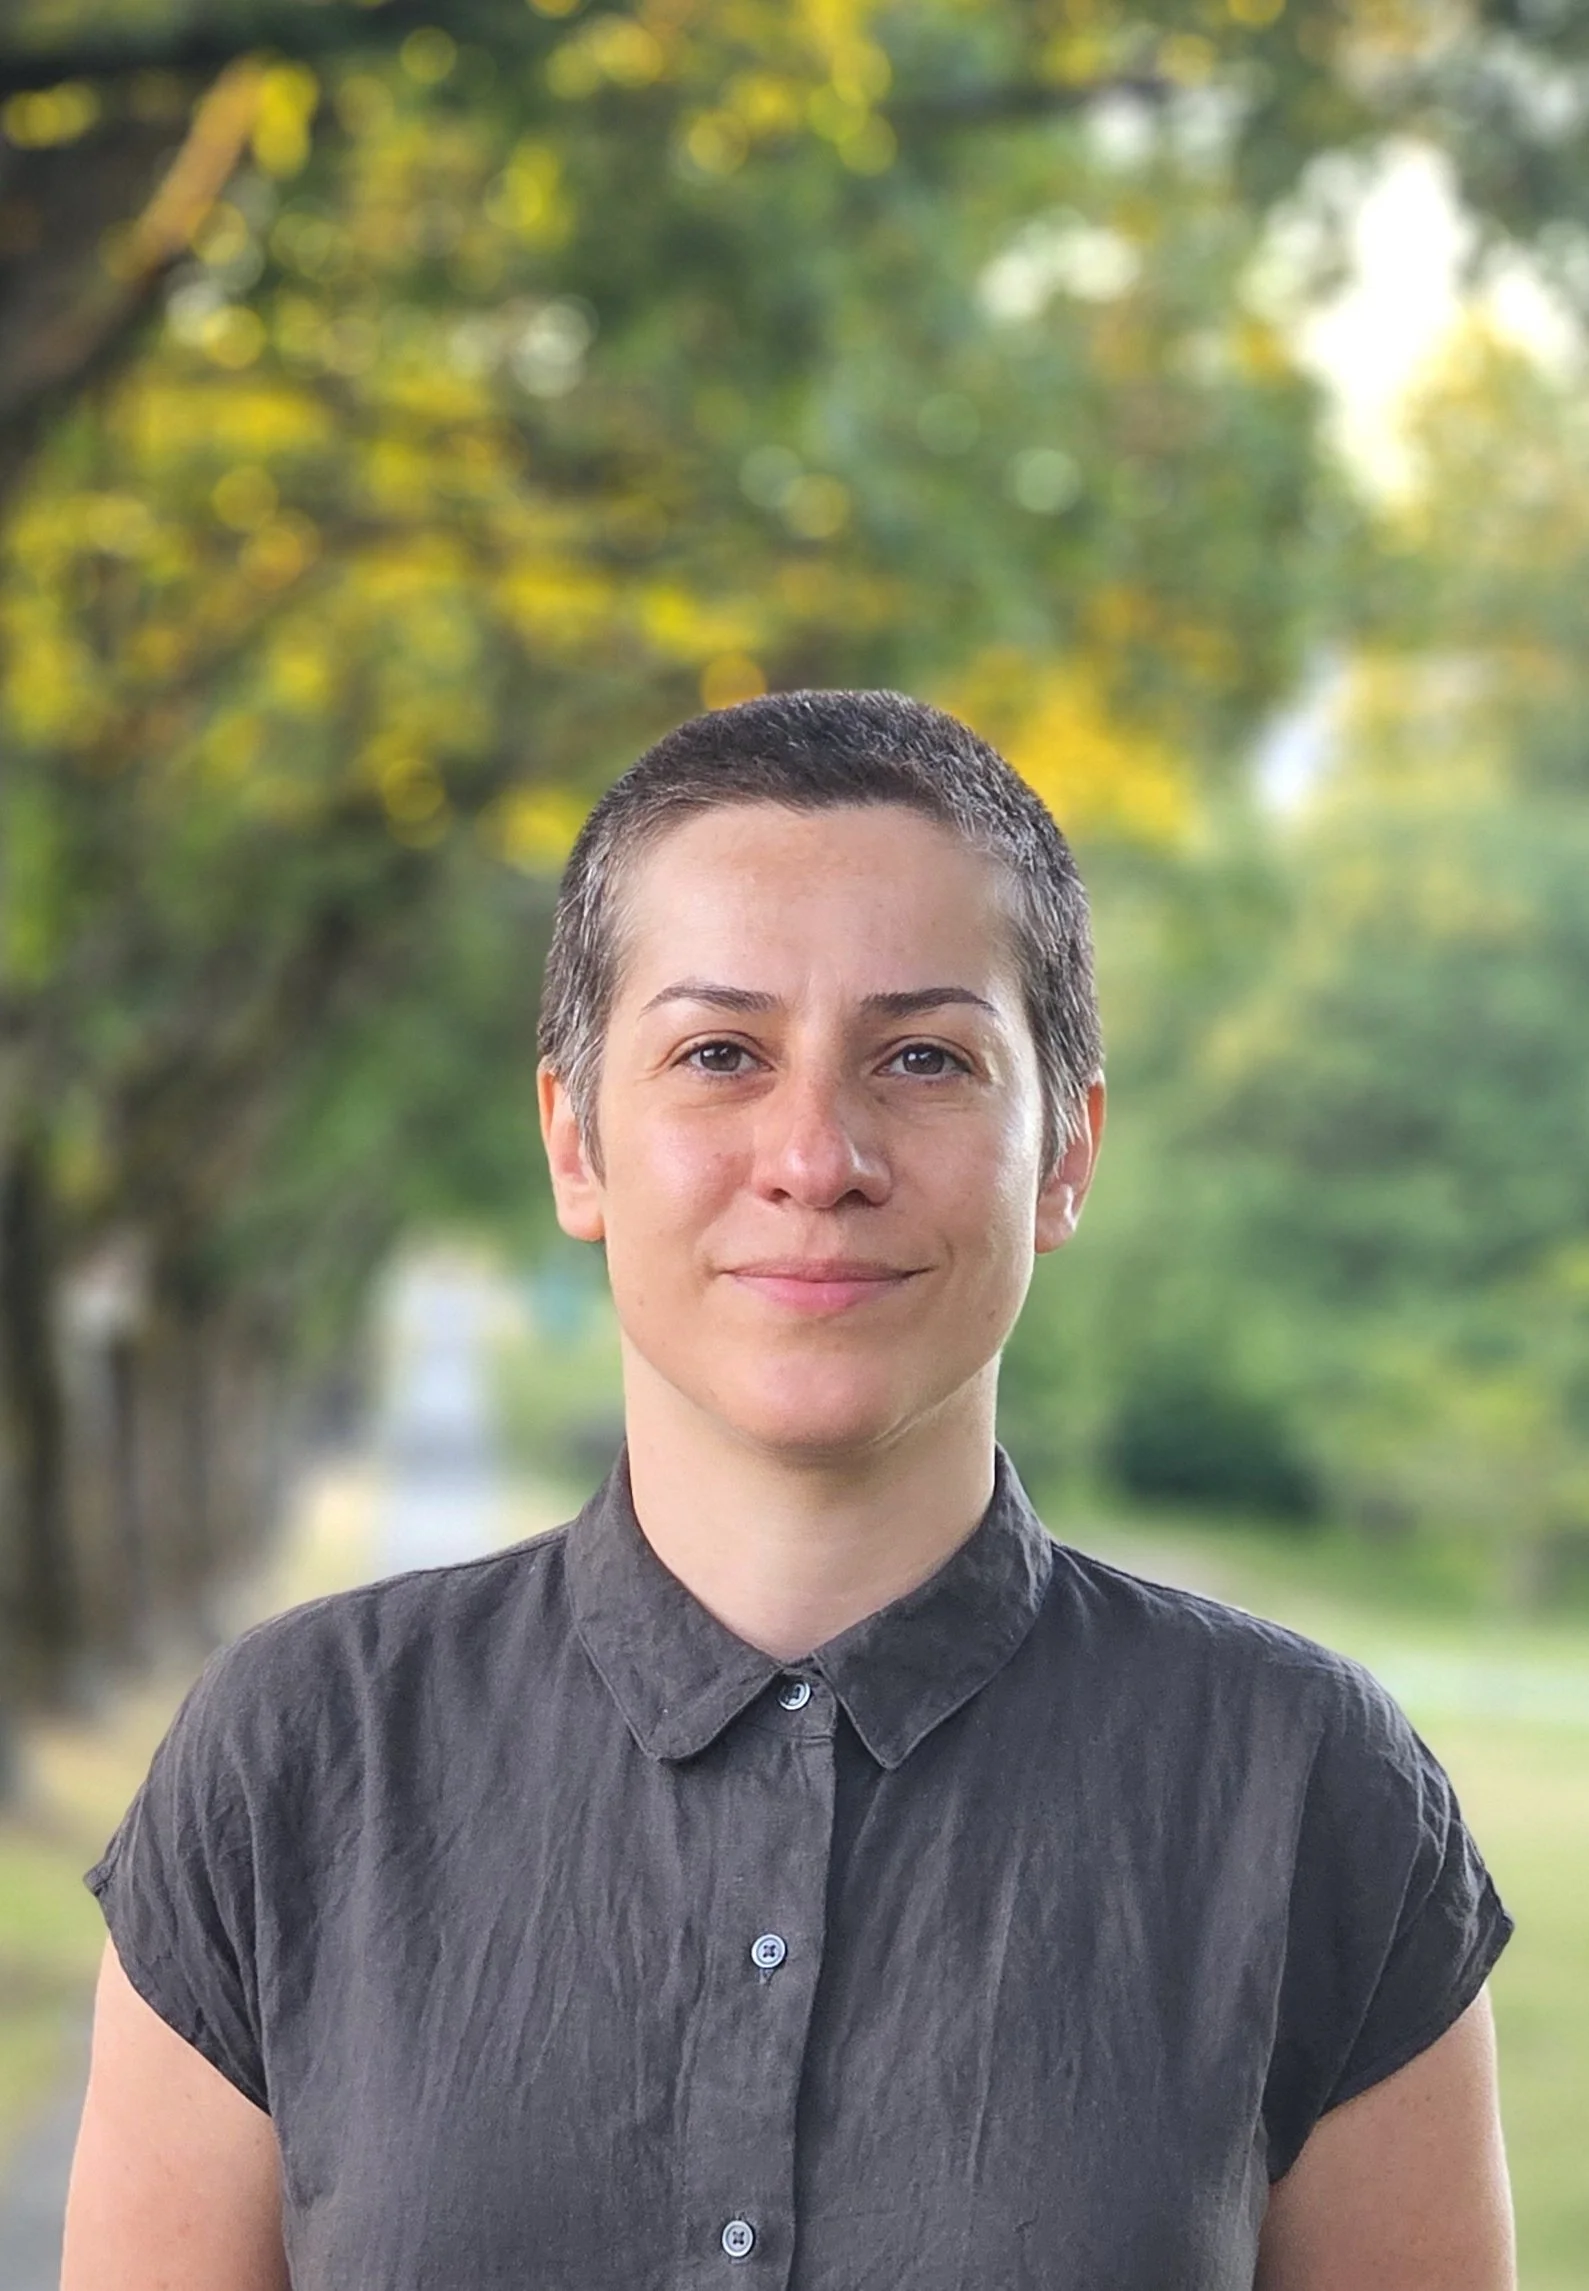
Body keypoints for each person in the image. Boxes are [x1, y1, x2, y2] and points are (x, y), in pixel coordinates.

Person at [63, 690, 1515, 2291]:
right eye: (718, 1053)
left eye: (922, 1056)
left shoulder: (1308, 1794)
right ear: (575, 1141)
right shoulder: (292, 1763)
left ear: (1067, 1158)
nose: (817, 1155)